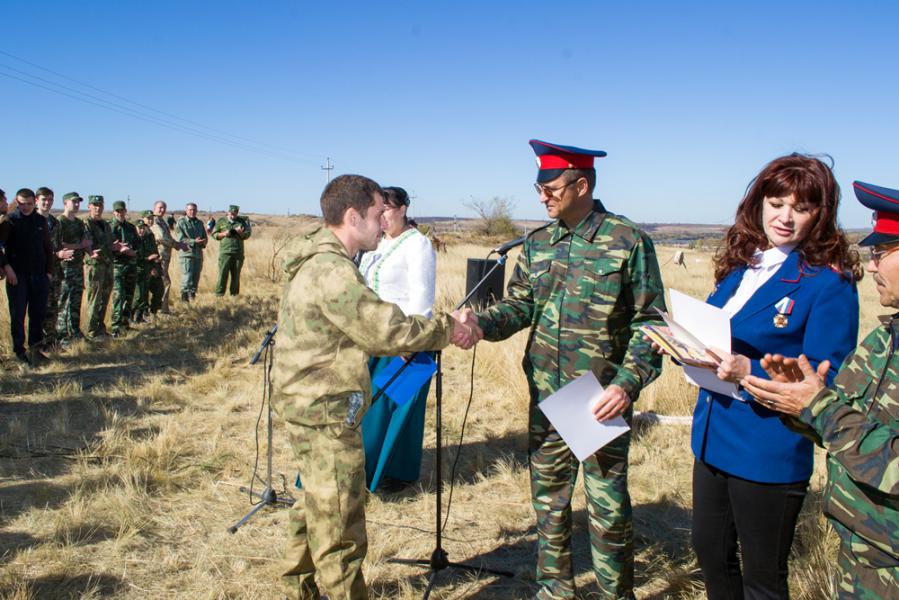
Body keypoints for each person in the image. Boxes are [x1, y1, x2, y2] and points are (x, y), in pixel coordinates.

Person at [463, 140, 667, 599]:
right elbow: (520, 306)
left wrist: (627, 384)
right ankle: (554, 591)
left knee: (607, 510)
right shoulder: (537, 244)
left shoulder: (628, 241)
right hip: (547, 398)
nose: (543, 197)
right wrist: (480, 324)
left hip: (599, 399)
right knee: (549, 506)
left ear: (581, 185)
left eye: (551, 188)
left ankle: (616, 594)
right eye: (539, 188)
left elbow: (651, 323)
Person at [271, 174, 479, 600]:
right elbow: (386, 329)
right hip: (324, 409)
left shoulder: (323, 259)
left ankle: (298, 587)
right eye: (376, 213)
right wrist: (449, 327)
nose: (384, 221)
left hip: (308, 402)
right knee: (340, 524)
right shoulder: (332, 271)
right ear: (353, 217)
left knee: (315, 501)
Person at [663, 154, 860, 599]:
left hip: (767, 447)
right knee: (711, 554)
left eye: (801, 208)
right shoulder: (746, 264)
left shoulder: (828, 283)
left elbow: (827, 378)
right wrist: (680, 345)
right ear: (759, 203)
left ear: (821, 214)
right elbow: (715, 335)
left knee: (762, 579)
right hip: (713, 436)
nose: (785, 217)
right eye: (776, 203)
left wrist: (747, 370)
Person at [742, 179, 899, 599]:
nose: (871, 267)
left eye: (882, 253)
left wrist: (821, 406)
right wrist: (796, 400)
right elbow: (841, 419)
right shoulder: (884, 340)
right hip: (864, 554)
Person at [357, 186, 437, 492]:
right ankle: (363, 468)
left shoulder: (417, 244)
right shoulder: (375, 244)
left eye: (386, 210)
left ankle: (395, 473)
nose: (381, 217)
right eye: (377, 211)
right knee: (368, 408)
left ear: (403, 209)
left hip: (403, 339)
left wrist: (411, 341)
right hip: (373, 337)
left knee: (392, 408)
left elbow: (422, 296)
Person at [1, 188, 55, 365]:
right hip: (18, 277)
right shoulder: (10, 221)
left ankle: (36, 350)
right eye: (21, 204)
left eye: (29, 204)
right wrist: (7, 268)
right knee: (18, 315)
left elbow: (48, 248)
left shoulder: (40, 220)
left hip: (39, 275)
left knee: (38, 314)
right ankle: (19, 352)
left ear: (34, 202)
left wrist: (49, 272)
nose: (25, 207)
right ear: (17, 203)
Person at [54, 192, 91, 345]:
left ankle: (75, 332)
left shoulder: (79, 223)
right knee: (64, 302)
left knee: (76, 301)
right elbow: (59, 244)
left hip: (77, 266)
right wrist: (79, 246)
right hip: (65, 268)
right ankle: (62, 336)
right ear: (65, 203)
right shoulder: (59, 222)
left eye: (78, 202)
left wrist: (89, 251)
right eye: (73, 202)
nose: (76, 204)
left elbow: (86, 241)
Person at [85, 195, 115, 339]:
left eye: (100, 205)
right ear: (89, 207)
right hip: (95, 266)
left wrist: (117, 247)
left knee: (105, 297)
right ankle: (92, 331)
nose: (98, 208)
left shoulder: (105, 224)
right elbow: (87, 244)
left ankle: (100, 328)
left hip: (108, 264)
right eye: (95, 205)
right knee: (94, 298)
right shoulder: (86, 224)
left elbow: (110, 243)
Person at [109, 200, 138, 336]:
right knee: (118, 296)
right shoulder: (110, 227)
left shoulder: (131, 227)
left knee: (129, 295)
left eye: (122, 211)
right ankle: (115, 327)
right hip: (117, 266)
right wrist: (120, 250)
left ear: (125, 211)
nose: (120, 213)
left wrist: (133, 251)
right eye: (118, 211)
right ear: (114, 212)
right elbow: (108, 247)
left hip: (131, 265)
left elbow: (137, 244)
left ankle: (125, 323)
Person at [150, 200, 186, 314]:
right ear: (154, 208)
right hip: (159, 257)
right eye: (160, 207)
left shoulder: (162, 221)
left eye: (164, 208)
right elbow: (162, 237)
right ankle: (162, 309)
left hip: (164, 257)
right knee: (165, 283)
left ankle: (157, 309)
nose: (162, 210)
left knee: (160, 283)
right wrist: (177, 245)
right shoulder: (155, 221)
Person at [36, 187, 61, 345]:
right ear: (37, 200)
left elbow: (57, 245)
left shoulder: (55, 222)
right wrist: (56, 254)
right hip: (37, 271)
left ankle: (51, 340)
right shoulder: (32, 220)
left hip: (54, 271)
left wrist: (60, 254)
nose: (47, 202)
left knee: (53, 307)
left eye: (50, 199)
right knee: (39, 308)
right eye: (44, 199)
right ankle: (39, 342)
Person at [211, 204, 251, 296]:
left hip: (238, 253)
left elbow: (247, 235)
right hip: (225, 252)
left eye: (235, 214)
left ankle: (234, 295)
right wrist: (224, 234)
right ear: (228, 212)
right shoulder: (221, 221)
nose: (233, 216)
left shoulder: (241, 222)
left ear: (237, 213)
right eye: (231, 213)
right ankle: (219, 294)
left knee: (236, 275)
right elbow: (214, 234)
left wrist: (241, 233)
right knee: (222, 274)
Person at [175, 202, 207, 301]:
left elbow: (205, 237)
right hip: (187, 254)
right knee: (187, 276)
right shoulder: (181, 222)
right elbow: (181, 239)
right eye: (190, 210)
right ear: (186, 211)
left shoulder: (199, 223)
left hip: (198, 254)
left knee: (195, 277)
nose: (192, 212)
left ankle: (192, 297)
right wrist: (194, 241)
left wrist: (203, 242)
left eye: (194, 210)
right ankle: (184, 298)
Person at [132, 212, 160, 323]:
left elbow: (155, 252)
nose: (141, 230)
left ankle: (140, 317)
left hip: (148, 269)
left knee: (145, 294)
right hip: (137, 270)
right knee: (138, 296)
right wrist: (148, 259)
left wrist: (155, 263)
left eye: (143, 228)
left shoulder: (148, 237)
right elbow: (134, 257)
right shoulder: (133, 240)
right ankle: (129, 316)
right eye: (139, 228)